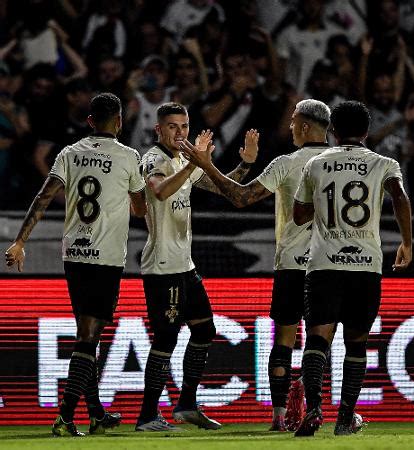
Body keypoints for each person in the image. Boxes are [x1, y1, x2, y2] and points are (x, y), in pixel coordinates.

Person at [180, 99, 331, 431]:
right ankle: (317, 407)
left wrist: (207, 165)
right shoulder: (343, 162)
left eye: (293, 122)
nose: (289, 127)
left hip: (292, 264)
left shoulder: (287, 163)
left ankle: (279, 416)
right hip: (331, 266)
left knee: (284, 340)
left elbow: (241, 197)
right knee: (321, 341)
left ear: (305, 127)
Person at [5, 92, 147, 437]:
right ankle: (66, 416)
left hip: (75, 256)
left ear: (89, 122)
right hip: (107, 258)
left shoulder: (70, 153)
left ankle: (96, 413)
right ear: (119, 122)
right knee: (88, 337)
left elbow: (44, 196)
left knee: (89, 334)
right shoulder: (129, 157)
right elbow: (140, 210)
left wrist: (20, 240)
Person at [292, 100, 412, 437]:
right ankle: (345, 418)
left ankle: (314, 408)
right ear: (367, 132)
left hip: (324, 265)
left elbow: (299, 216)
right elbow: (399, 196)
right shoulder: (383, 163)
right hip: (365, 265)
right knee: (357, 342)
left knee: (317, 340)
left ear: (332, 131)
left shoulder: (316, 163)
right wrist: (407, 243)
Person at [136, 102, 258, 431]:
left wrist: (245, 164)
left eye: (185, 126)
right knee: (166, 338)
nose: (180, 132)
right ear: (159, 129)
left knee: (204, 330)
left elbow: (224, 186)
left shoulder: (183, 160)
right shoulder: (153, 159)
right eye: (173, 126)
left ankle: (186, 405)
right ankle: (148, 415)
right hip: (163, 265)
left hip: (184, 264)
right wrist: (192, 164)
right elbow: (160, 191)